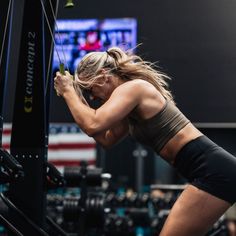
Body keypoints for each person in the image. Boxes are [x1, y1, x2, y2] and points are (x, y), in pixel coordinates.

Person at [54, 46, 236, 236]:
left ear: (102, 75)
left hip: (212, 171)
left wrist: (68, 92)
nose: (92, 97)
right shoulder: (128, 101)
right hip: (208, 172)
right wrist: (76, 96)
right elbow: (105, 139)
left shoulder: (133, 88)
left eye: (91, 89)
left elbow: (92, 123)